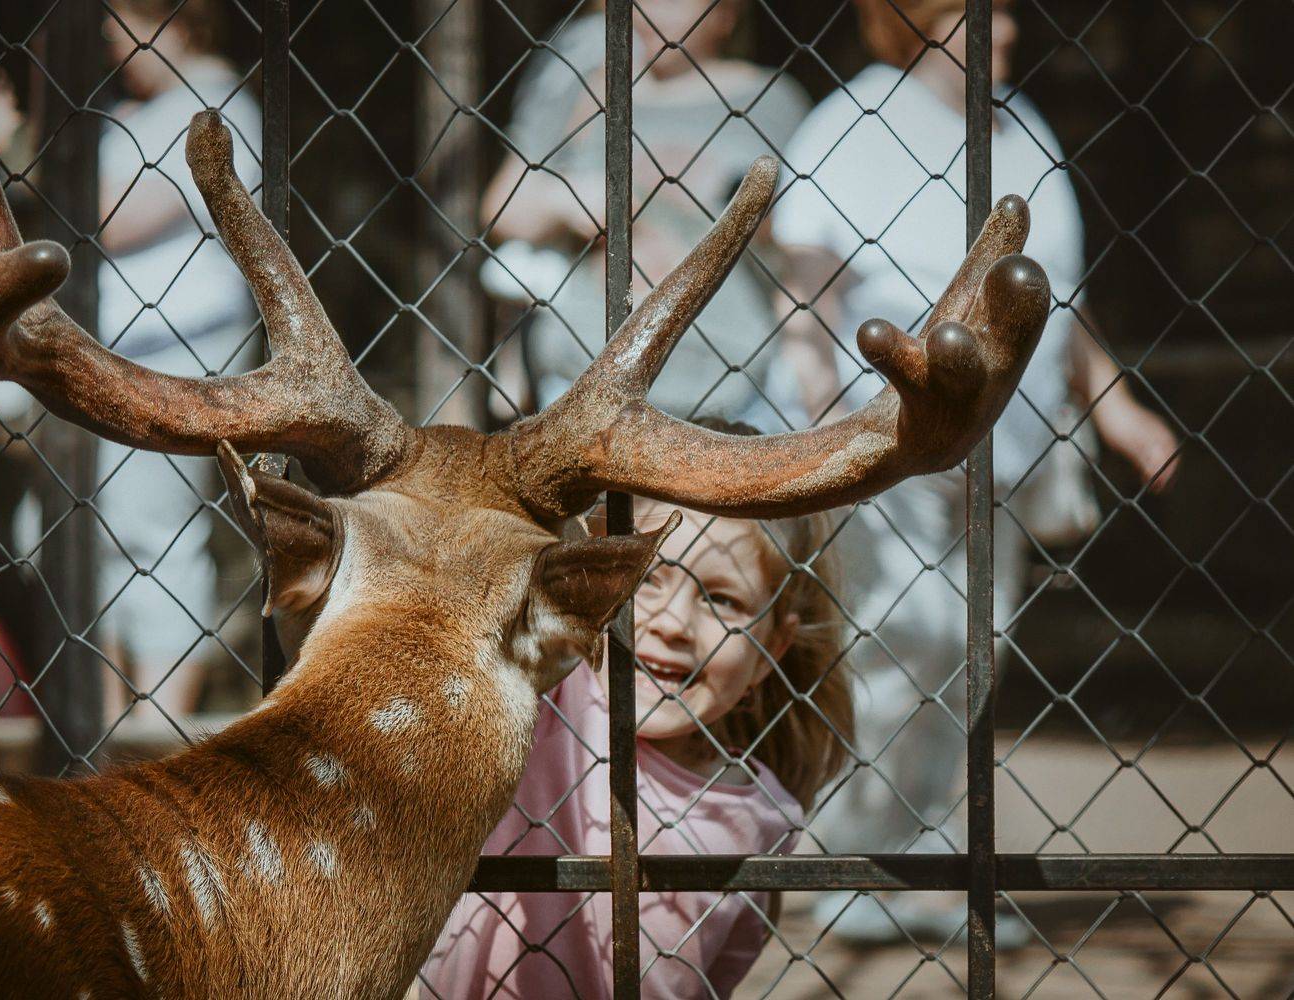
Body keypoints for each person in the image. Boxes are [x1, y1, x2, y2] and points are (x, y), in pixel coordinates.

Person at [771, 0, 1180, 944]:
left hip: (1005, 456)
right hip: (891, 447)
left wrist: (1114, 406)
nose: (1004, 32)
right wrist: (819, 402)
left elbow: (1055, 301)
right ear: (915, 23)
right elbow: (806, 287)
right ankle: (854, 864)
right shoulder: (854, 121)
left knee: (971, 656)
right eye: (973, 17)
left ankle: (934, 864)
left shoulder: (1021, 124)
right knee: (896, 642)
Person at [420, 420, 853, 998]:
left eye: (721, 599)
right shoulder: (549, 696)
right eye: (647, 578)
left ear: (772, 649)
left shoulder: (764, 820)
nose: (673, 623)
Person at [0, 0, 264, 727]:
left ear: (175, 16)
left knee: (153, 539)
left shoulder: (217, 106)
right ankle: (104, 729)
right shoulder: (130, 113)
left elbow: (100, 215)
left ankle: (157, 732)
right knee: (81, 535)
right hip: (103, 361)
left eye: (123, 13)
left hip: (173, 361)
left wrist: (15, 144)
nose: (108, 31)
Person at [479, 0, 813, 431]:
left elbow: (805, 239)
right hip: (583, 370)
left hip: (730, 378)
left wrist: (724, 190)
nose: (656, 9)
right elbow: (501, 209)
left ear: (727, 13)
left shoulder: (771, 99)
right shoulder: (586, 88)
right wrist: (564, 198)